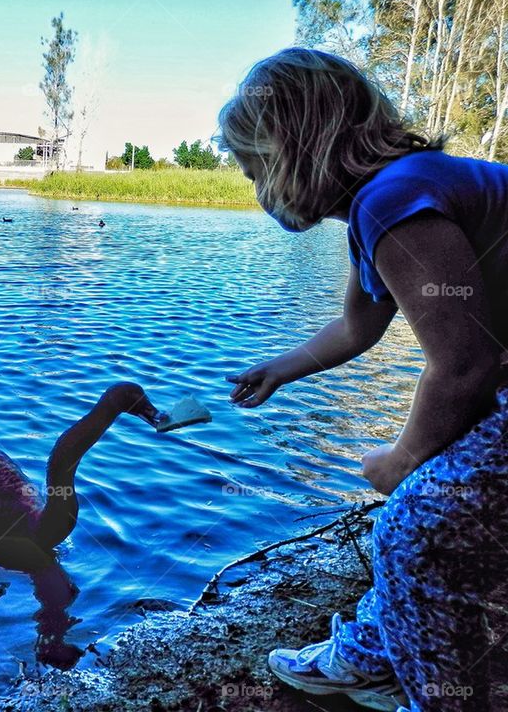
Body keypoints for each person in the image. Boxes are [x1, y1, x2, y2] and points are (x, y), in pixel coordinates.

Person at [217, 47, 508, 712]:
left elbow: (466, 365)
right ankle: (375, 651)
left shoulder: (393, 199)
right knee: (441, 498)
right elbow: (357, 329)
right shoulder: (381, 205)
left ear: (295, 146)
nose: (254, 186)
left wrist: (404, 458)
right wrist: (280, 369)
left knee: (415, 521)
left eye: (254, 166)